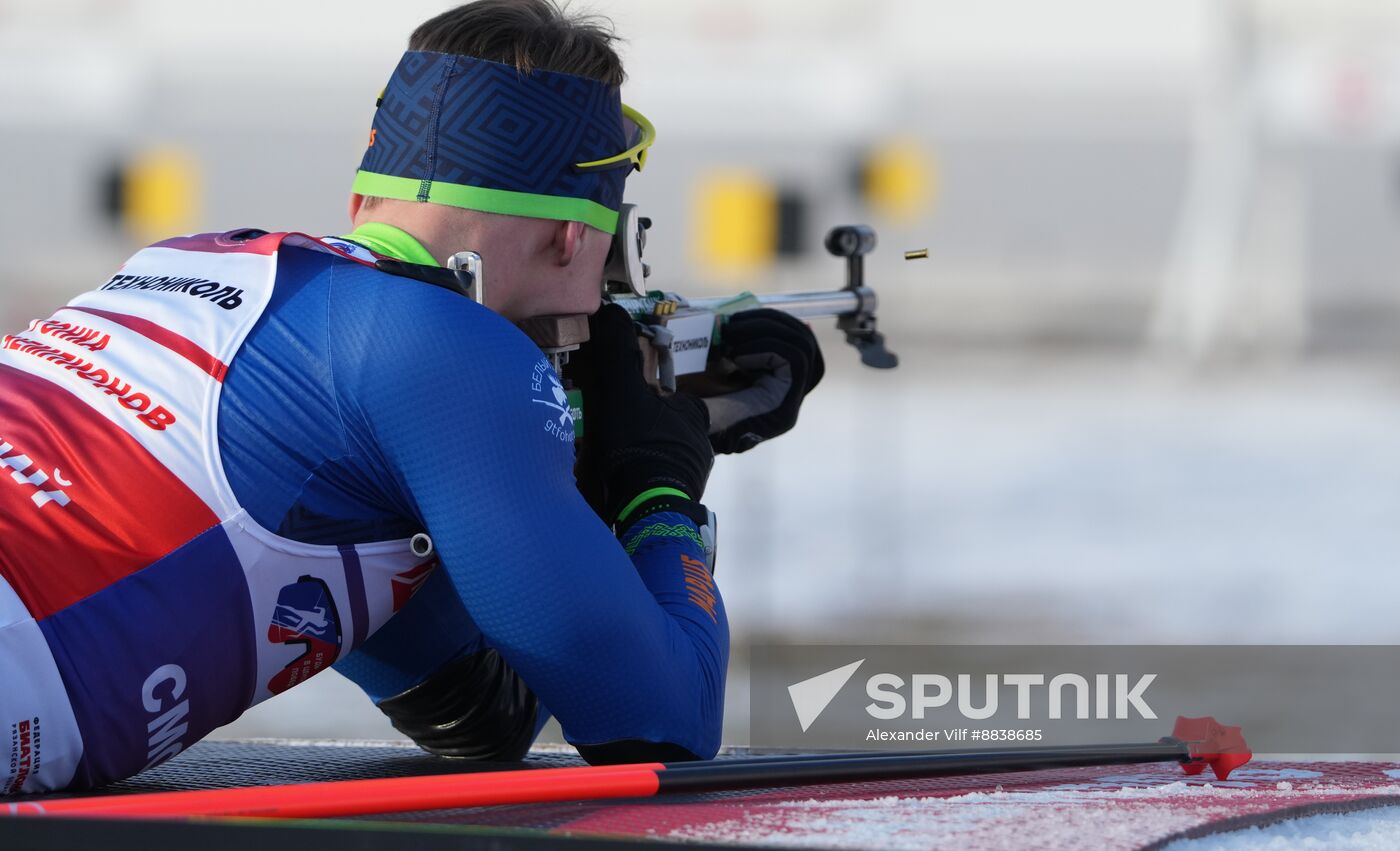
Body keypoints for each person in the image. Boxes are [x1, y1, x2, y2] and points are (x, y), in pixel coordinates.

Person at [0, 0, 823, 795]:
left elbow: (479, 716)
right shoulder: (447, 350)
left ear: (368, 198)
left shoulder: (195, 259)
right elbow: (660, 725)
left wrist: (564, 475)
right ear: (574, 235)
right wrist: (657, 482)